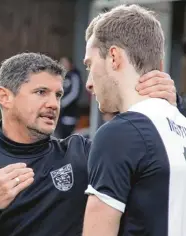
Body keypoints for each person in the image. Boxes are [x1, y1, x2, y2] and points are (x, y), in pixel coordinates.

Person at [0, 52, 179, 236]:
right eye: (41, 92)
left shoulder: (81, 153)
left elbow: (157, 180)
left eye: (58, 95)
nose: (53, 104)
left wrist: (172, 108)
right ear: (5, 96)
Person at [83, 5, 186, 236]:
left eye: (90, 65)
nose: (89, 82)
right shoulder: (181, 125)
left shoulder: (120, 134)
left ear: (113, 57)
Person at [55, 56, 83, 138]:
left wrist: (62, 103)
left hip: (69, 112)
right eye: (61, 63)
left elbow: (74, 93)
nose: (63, 65)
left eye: (65, 63)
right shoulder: (59, 77)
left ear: (71, 64)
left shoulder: (74, 76)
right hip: (59, 113)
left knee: (67, 136)